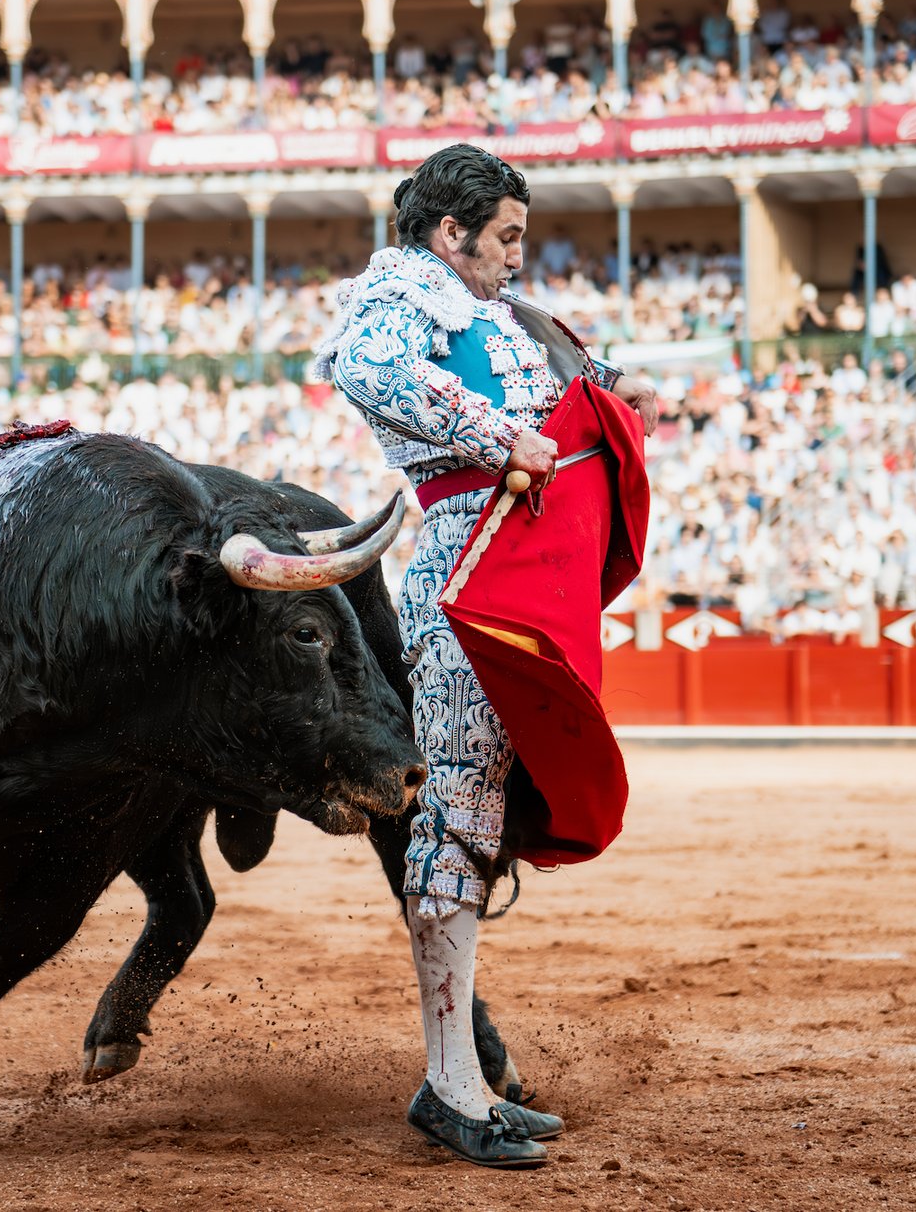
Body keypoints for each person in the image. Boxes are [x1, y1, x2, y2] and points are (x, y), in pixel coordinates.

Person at [314, 144, 657, 1169]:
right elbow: (366, 368)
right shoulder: (404, 293)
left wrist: (612, 394)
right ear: (449, 232)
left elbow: (573, 393)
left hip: (516, 568)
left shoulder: (499, 313)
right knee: (459, 814)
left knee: (482, 815)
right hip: (468, 573)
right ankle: (452, 1089)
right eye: (504, 237)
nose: (516, 254)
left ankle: (461, 1076)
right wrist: (498, 435)